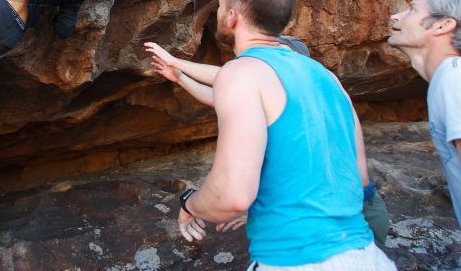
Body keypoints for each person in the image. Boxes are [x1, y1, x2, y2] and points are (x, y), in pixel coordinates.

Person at [159, 0, 395, 269]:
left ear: (232, 17)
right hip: (367, 256)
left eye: (219, 6)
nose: (217, 13)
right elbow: (359, 179)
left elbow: (232, 195)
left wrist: (189, 203)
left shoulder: (241, 72)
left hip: (294, 260)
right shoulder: (328, 78)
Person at [144, 36, 390, 249]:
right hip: (348, 218)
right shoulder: (308, 96)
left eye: (276, 53)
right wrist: (180, 78)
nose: (263, 63)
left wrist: (177, 62)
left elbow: (231, 79)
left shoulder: (304, 83)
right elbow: (222, 96)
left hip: (347, 220)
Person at [388, 0, 461, 226]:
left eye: (412, 10)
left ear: (442, 26)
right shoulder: (447, 78)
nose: (396, 16)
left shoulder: (454, 80)